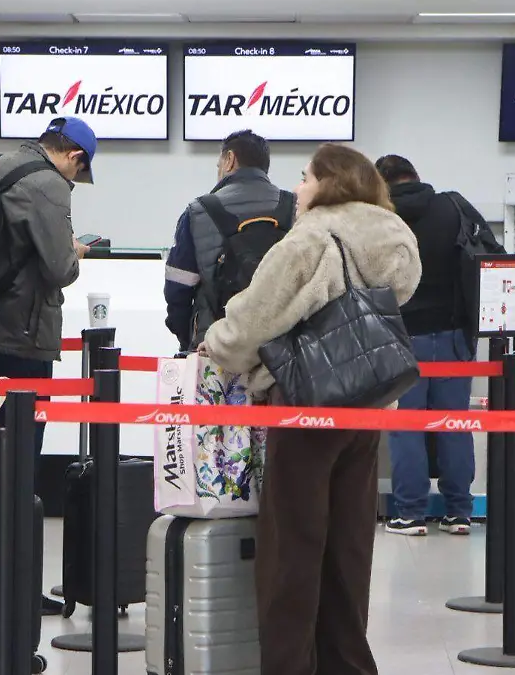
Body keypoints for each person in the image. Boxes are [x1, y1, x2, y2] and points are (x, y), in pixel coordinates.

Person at [200, 144, 421, 675]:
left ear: (330, 182)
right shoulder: (395, 235)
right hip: (368, 403)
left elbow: (253, 322)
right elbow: (401, 293)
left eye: (305, 177)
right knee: (350, 548)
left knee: (292, 550)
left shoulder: (310, 239)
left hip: (307, 407)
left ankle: (290, 666)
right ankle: (347, 663)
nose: (297, 189)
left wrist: (217, 343)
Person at [0, 116, 96, 614]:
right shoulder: (48, 184)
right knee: (21, 468)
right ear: (75, 157)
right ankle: (18, 591)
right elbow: (59, 268)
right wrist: (76, 251)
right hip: (24, 337)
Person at [376, 154, 483, 537]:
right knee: (455, 425)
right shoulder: (451, 207)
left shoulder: (382, 219)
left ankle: (411, 514)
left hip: (401, 337)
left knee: (406, 427)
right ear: (416, 177)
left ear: (381, 183)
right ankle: (459, 513)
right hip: (453, 337)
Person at [163, 129, 294, 351]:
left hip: (214, 347)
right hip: (280, 349)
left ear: (229, 159)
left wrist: (190, 338)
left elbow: (178, 290)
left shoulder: (199, 211)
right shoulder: (293, 208)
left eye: (218, 165)